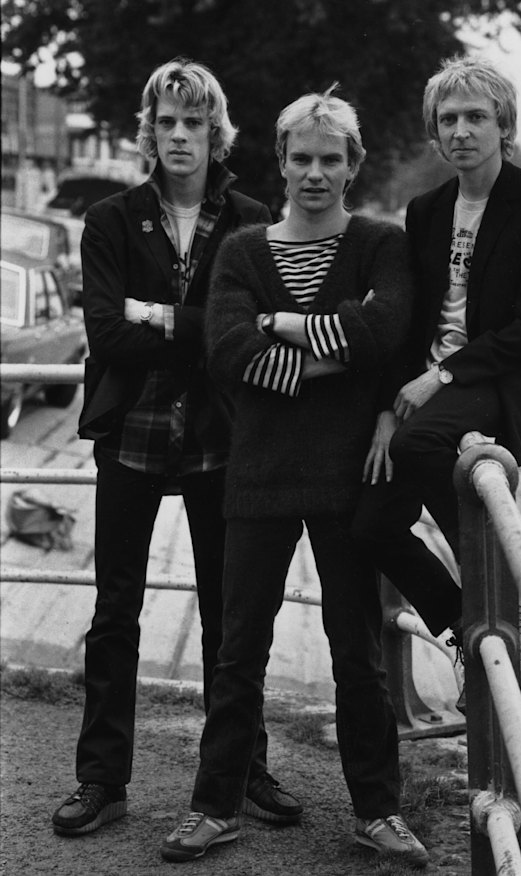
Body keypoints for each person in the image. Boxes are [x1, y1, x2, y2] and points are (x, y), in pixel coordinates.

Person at [160, 87, 430, 868]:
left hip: (351, 477)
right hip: (261, 472)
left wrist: (283, 329)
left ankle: (377, 811)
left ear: (354, 166)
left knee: (359, 654)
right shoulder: (245, 250)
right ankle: (214, 806)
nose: (315, 173)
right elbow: (227, 351)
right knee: (239, 648)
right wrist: (337, 357)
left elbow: (388, 329)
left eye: (330, 160)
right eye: (301, 158)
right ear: (280, 162)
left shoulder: (379, 245)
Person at [51, 57, 302, 837]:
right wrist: (196, 331)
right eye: (168, 121)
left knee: (233, 617)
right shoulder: (111, 221)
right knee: (115, 611)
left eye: (195, 121)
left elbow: (240, 339)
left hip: (220, 440)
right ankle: (102, 780)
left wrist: (158, 316)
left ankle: (242, 769)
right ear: (149, 133)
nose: (181, 134)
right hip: (132, 434)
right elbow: (105, 336)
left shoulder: (252, 221)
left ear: (215, 133)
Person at [352, 55, 521, 687]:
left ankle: (496, 579)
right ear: (434, 131)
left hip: (490, 384)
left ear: (502, 125)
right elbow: (409, 320)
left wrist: (441, 378)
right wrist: (380, 415)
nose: (460, 131)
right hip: (424, 389)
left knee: (421, 440)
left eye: (476, 117)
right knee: (369, 527)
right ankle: (465, 618)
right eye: (447, 119)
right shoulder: (426, 211)